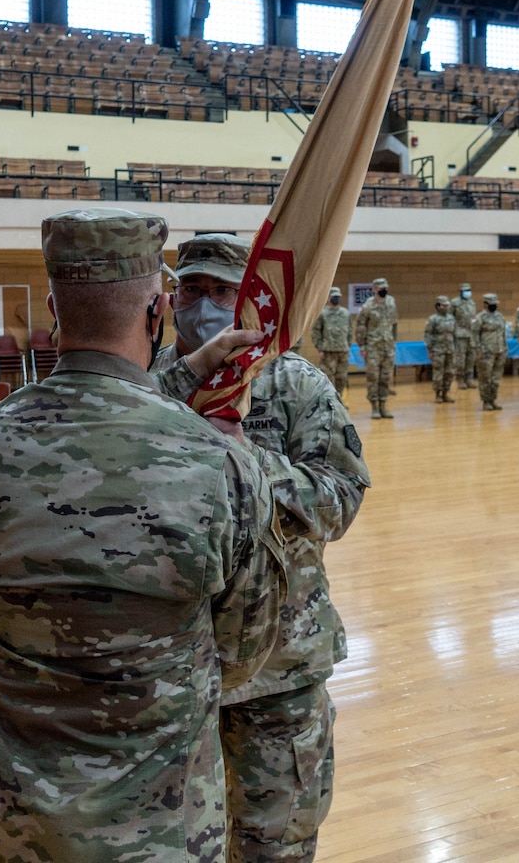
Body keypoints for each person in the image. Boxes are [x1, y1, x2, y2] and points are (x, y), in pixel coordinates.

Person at [0, 209, 286, 863]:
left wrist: (185, 372)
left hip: (19, 821)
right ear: (158, 310)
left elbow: (92, 409)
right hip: (156, 832)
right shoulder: (219, 463)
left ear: (51, 307)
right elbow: (248, 653)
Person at [152, 232, 370, 863]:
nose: (204, 303)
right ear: (170, 298)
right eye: (191, 289)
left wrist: (243, 464)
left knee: (276, 843)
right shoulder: (145, 388)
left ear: (247, 299)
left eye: (222, 290)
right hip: (168, 664)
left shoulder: (295, 385)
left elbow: (339, 501)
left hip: (279, 661)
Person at [355, 276, 398, 419]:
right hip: (373, 347)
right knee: (373, 377)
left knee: (385, 377)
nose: (384, 290)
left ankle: (383, 406)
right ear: (374, 290)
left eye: (385, 288)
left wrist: (394, 341)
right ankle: (374, 407)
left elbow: (394, 323)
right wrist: (362, 346)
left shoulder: (391, 302)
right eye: (381, 288)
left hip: (388, 347)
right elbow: (360, 327)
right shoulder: (368, 306)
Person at [310, 285, 353, 400]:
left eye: (338, 297)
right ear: (328, 298)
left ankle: (338, 399)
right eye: (334, 296)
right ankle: (330, 400)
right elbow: (316, 332)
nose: (336, 299)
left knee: (342, 377)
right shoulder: (323, 313)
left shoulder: (345, 313)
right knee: (328, 377)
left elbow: (350, 332)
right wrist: (319, 348)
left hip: (343, 350)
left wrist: (348, 347)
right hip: (328, 351)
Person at [471, 293, 507, 411]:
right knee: (485, 377)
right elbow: (474, 335)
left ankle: (493, 399)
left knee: (496, 378)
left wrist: (504, 349)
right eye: (492, 304)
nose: (494, 306)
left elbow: (503, 333)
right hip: (486, 352)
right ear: (485, 304)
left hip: (499, 350)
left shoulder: (500, 316)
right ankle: (486, 401)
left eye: (495, 304)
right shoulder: (480, 318)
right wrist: (478, 351)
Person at [423, 295, 456, 404]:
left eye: (447, 305)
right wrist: (430, 350)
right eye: (444, 305)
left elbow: (454, 334)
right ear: (438, 306)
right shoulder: (433, 319)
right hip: (438, 350)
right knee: (438, 372)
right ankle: (438, 394)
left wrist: (455, 347)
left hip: (450, 349)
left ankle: (445, 393)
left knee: (449, 373)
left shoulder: (452, 318)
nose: (446, 307)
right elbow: (428, 335)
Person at [449, 282, 476, 388]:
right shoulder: (455, 303)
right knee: (460, 358)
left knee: (471, 357)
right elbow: (450, 318)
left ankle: (468, 378)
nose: (467, 292)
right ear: (460, 292)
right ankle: (460, 379)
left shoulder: (472, 303)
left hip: (471, 334)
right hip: (460, 334)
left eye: (468, 290)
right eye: (465, 291)